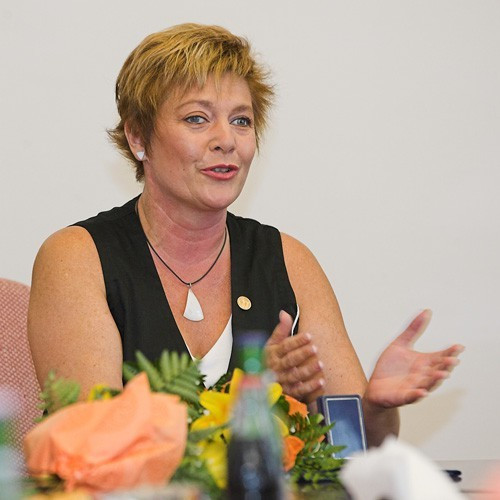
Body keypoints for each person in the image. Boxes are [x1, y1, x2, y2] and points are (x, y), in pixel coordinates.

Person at [27, 23, 463, 447]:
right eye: (197, 119)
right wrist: (254, 393)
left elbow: (350, 449)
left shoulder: (288, 259)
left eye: (241, 120)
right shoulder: (78, 257)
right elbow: (97, 448)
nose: (226, 140)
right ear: (139, 137)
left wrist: (377, 409)